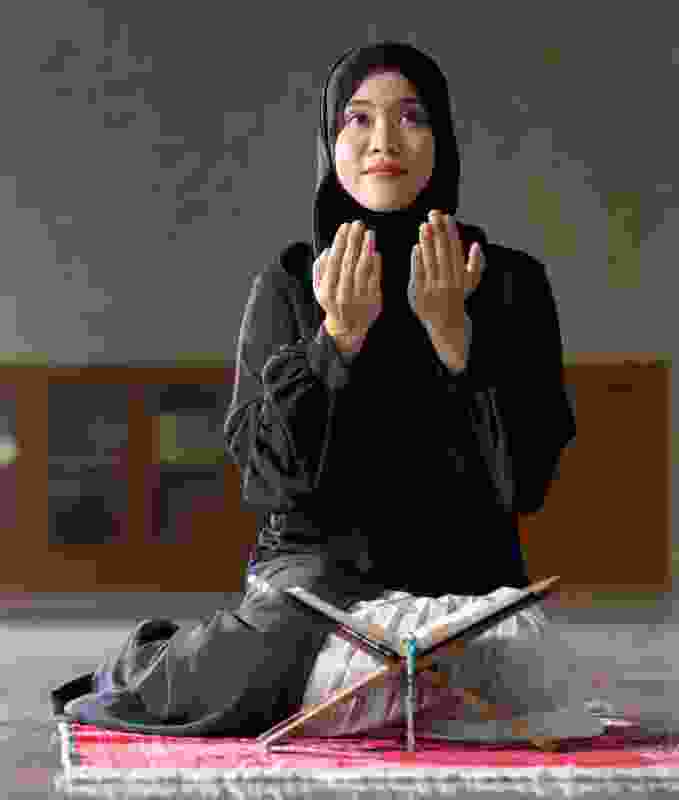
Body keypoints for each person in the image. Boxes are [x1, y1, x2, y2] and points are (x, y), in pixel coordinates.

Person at [50, 41, 603, 740]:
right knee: (282, 657)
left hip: (463, 587)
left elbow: (524, 485)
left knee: (523, 667)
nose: (384, 141)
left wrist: (455, 340)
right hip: (318, 591)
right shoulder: (289, 283)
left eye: (411, 117)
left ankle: (327, 688)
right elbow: (268, 481)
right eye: (358, 119)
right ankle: (154, 665)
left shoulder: (511, 283)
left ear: (443, 140)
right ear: (330, 143)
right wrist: (334, 342)